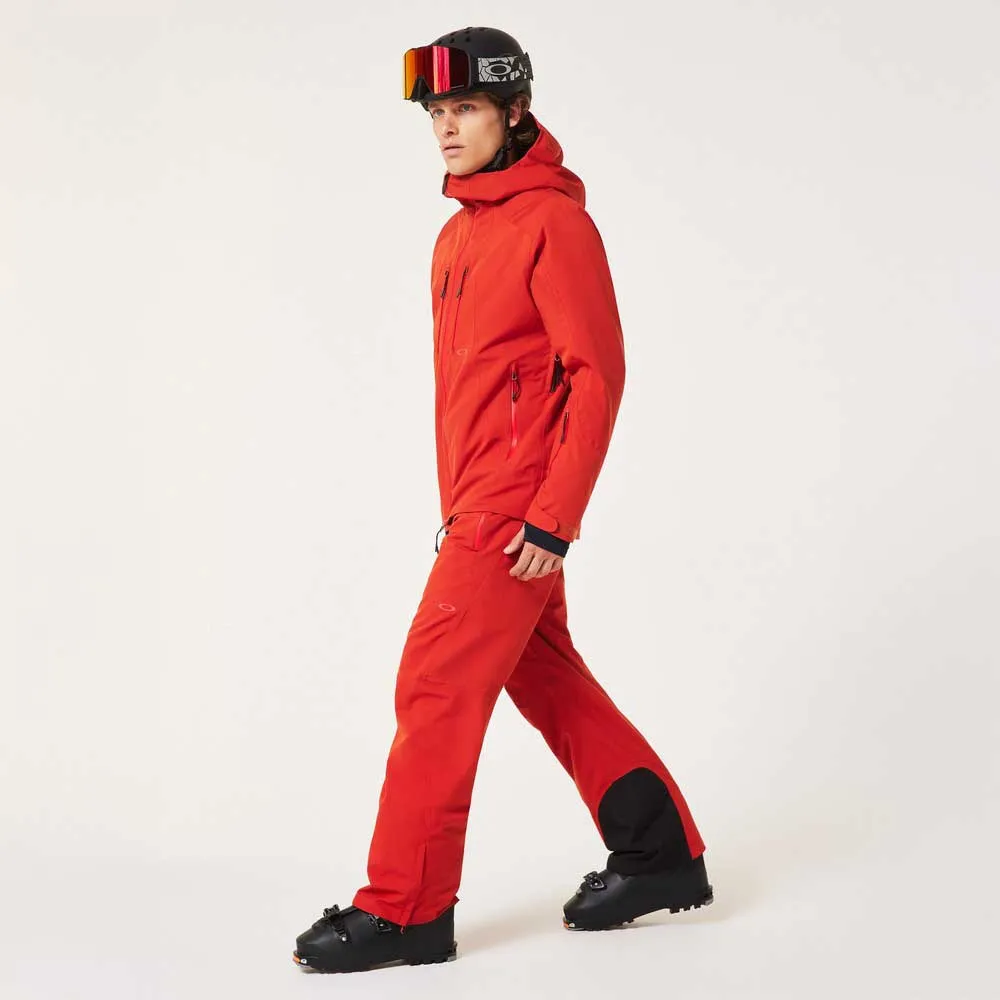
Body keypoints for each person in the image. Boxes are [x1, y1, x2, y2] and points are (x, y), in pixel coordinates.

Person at [293, 26, 713, 974]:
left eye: (467, 108)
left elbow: (596, 374)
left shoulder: (554, 224)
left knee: (435, 684)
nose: (447, 128)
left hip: (516, 510)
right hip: (475, 505)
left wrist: (552, 518)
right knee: (545, 673)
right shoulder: (457, 234)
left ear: (516, 111)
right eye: (436, 113)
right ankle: (658, 852)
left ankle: (406, 909)